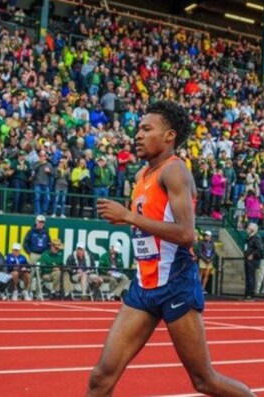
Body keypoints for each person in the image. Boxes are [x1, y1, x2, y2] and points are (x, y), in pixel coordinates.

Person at [92, 101, 253, 396]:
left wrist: (127, 216)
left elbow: (186, 234)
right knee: (101, 377)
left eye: (146, 128)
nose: (138, 134)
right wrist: (131, 221)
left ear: (169, 136)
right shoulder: (142, 175)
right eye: (138, 128)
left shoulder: (175, 171)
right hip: (144, 286)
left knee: (204, 380)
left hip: (175, 283)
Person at [243, 223, 263, 301]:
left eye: (249, 228)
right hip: (247, 260)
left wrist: (252, 255)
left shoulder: (256, 238)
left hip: (252, 261)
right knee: (248, 277)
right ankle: (247, 293)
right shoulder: (249, 238)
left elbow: (260, 249)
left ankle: (251, 294)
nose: (247, 229)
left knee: (251, 277)